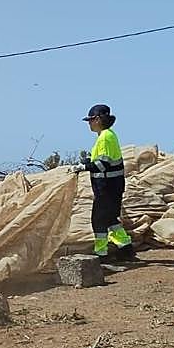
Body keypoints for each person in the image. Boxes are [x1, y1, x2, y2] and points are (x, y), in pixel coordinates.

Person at [72, 104, 136, 260]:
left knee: (99, 220)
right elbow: (100, 159)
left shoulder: (105, 137)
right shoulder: (107, 135)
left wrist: (83, 167)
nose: (89, 123)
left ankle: (101, 254)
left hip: (107, 188)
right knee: (110, 219)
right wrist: (88, 161)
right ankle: (125, 248)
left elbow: (102, 165)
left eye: (91, 120)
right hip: (112, 187)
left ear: (98, 119)